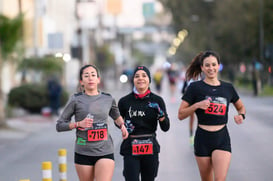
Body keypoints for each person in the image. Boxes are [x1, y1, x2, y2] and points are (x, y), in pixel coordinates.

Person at [178, 51, 246, 181]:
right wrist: (197, 105)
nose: (211, 68)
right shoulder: (194, 88)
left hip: (221, 138)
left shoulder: (228, 88)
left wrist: (241, 116)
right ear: (202, 68)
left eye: (214, 65)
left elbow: (241, 107)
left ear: (218, 66)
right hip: (202, 138)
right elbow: (181, 114)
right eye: (207, 65)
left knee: (220, 179)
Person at [56, 64, 129, 181]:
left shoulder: (108, 98)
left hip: (105, 150)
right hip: (83, 151)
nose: (90, 78)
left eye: (93, 75)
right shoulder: (76, 99)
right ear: (81, 81)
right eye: (86, 76)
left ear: (98, 79)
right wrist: (78, 124)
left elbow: (116, 116)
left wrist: (122, 126)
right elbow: (59, 125)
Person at [118, 65, 170, 181]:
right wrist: (122, 126)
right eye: (137, 76)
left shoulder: (157, 100)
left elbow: (166, 127)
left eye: (144, 75)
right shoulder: (124, 101)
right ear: (133, 80)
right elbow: (118, 121)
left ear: (149, 80)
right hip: (130, 146)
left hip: (150, 147)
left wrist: (161, 115)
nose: (140, 78)